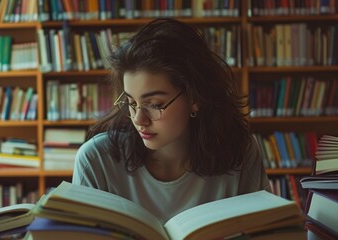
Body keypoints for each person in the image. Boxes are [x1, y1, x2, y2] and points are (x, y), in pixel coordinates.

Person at [72, 18, 271, 224]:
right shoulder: (96, 161)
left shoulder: (240, 154)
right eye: (131, 103)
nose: (139, 119)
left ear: (195, 98)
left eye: (155, 104)